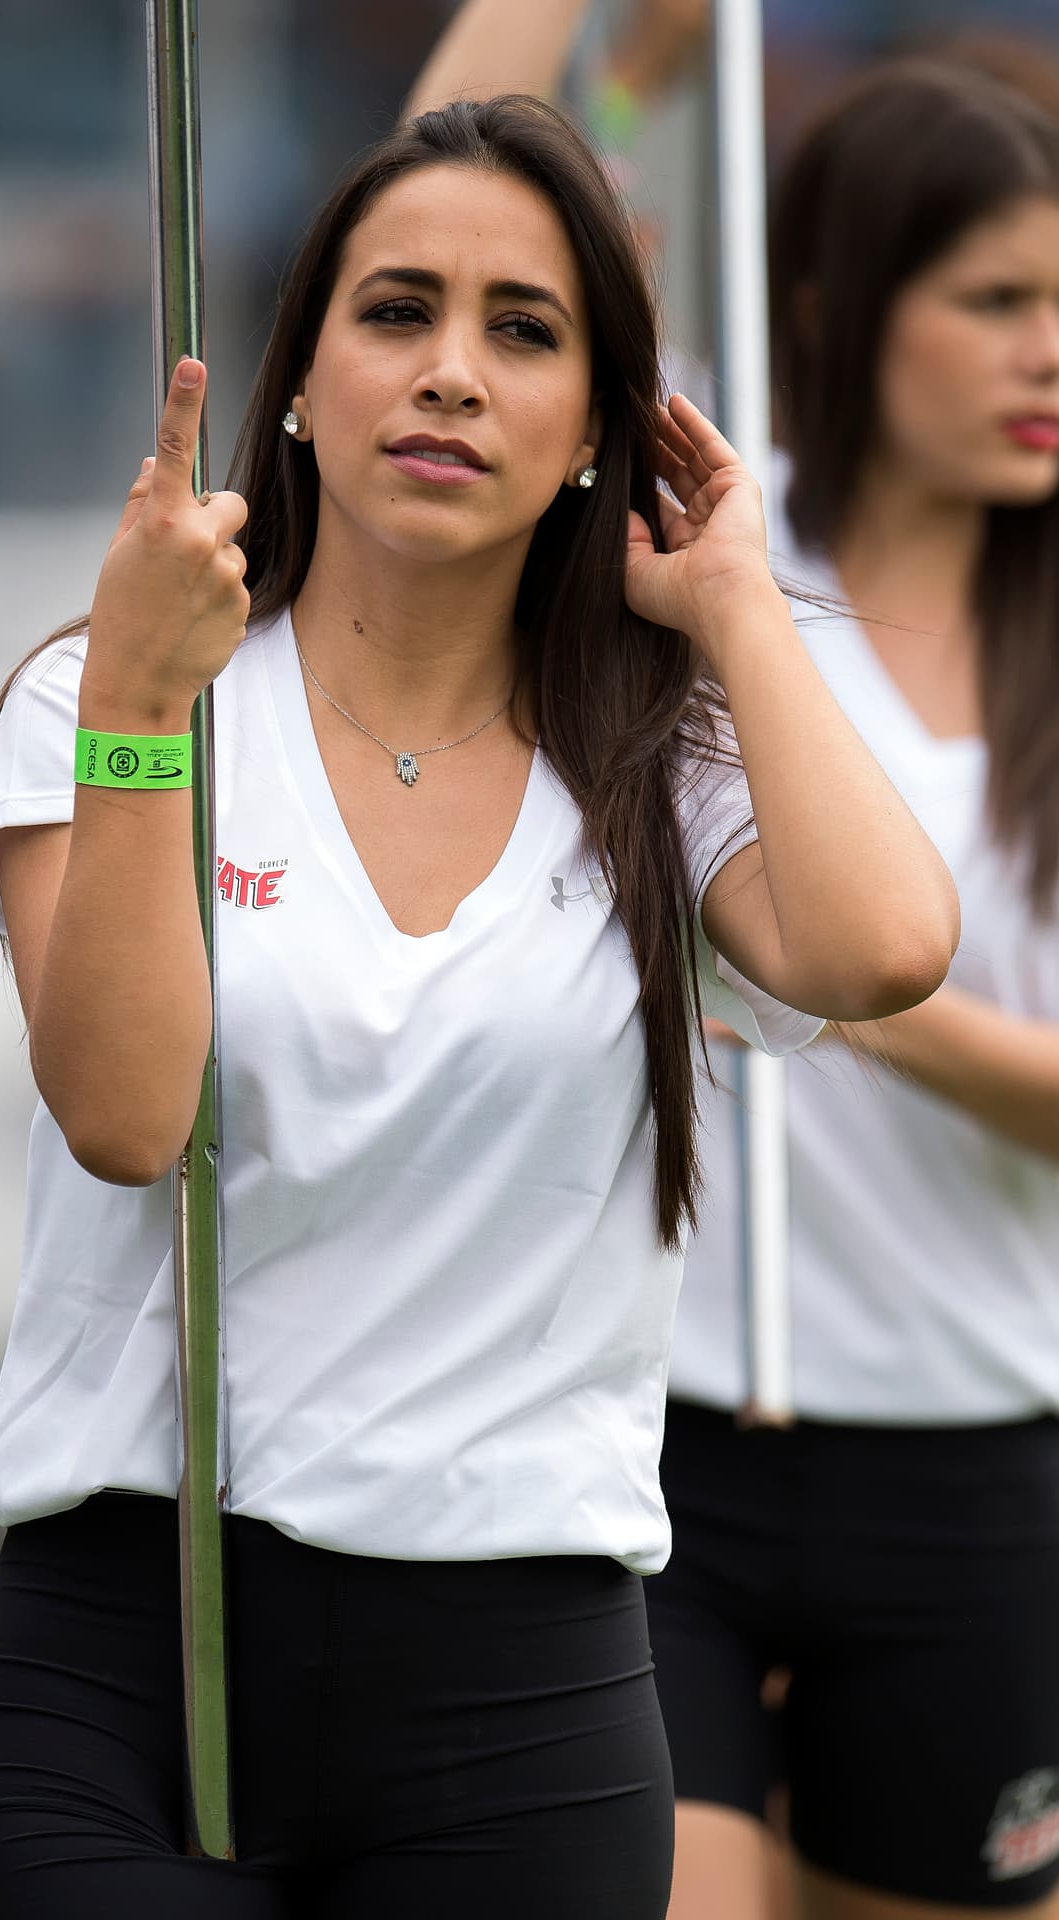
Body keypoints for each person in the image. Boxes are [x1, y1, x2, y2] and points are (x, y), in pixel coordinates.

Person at [0, 96, 956, 1919]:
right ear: (304, 375)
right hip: (127, 1657)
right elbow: (121, 1114)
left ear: (598, 429)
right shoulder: (112, 698)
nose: (455, 375)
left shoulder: (659, 756)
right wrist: (140, 721)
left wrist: (732, 601)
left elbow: (884, 948)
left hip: (520, 1705)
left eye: (526, 331)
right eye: (397, 311)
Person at [654, 61, 1059, 1920]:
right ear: (832, 304)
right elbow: (438, 159)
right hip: (655, 1442)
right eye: (995, 299)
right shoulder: (709, 566)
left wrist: (839, 984)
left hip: (981, 1461)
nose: (1046, 351)